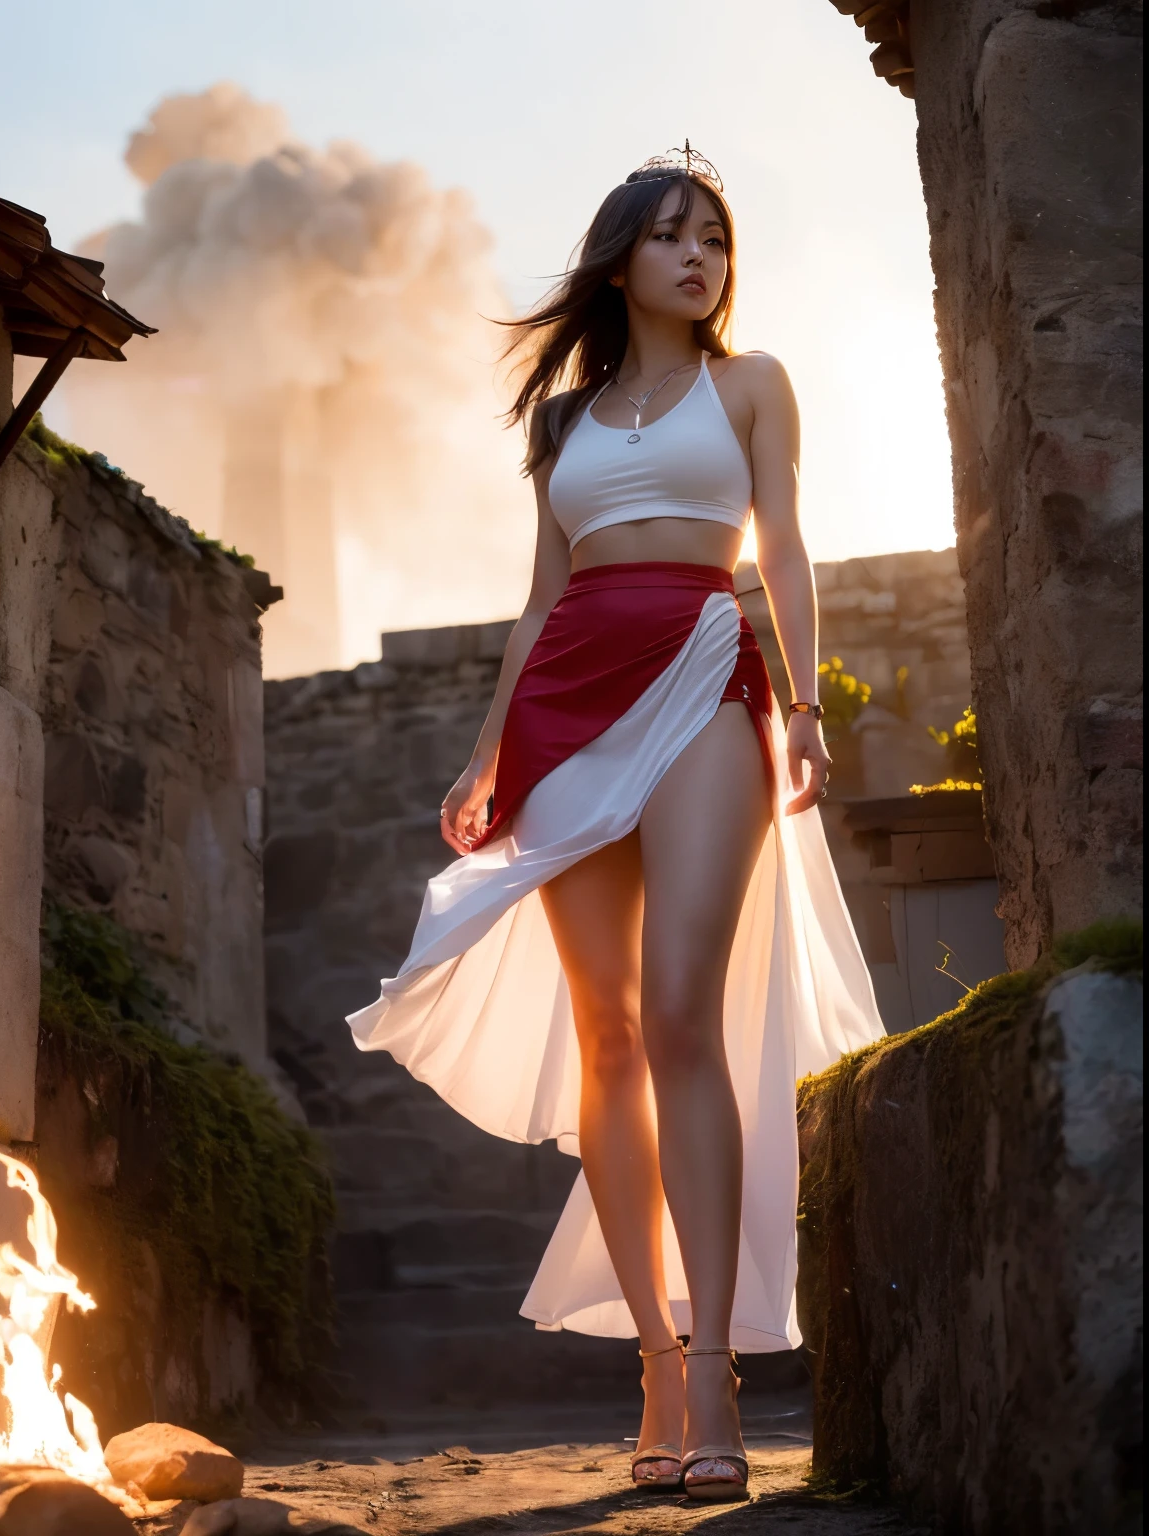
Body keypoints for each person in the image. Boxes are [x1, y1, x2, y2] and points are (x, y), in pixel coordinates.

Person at [348, 147, 885, 1502]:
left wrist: (807, 706)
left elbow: (787, 544)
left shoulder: (753, 387)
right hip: (569, 708)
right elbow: (540, 599)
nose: (698, 255)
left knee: (682, 1010)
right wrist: (488, 752)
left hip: (707, 672)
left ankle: (716, 1371)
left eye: (714, 235)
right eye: (669, 236)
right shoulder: (564, 426)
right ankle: (652, 1357)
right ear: (620, 263)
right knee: (607, 1033)